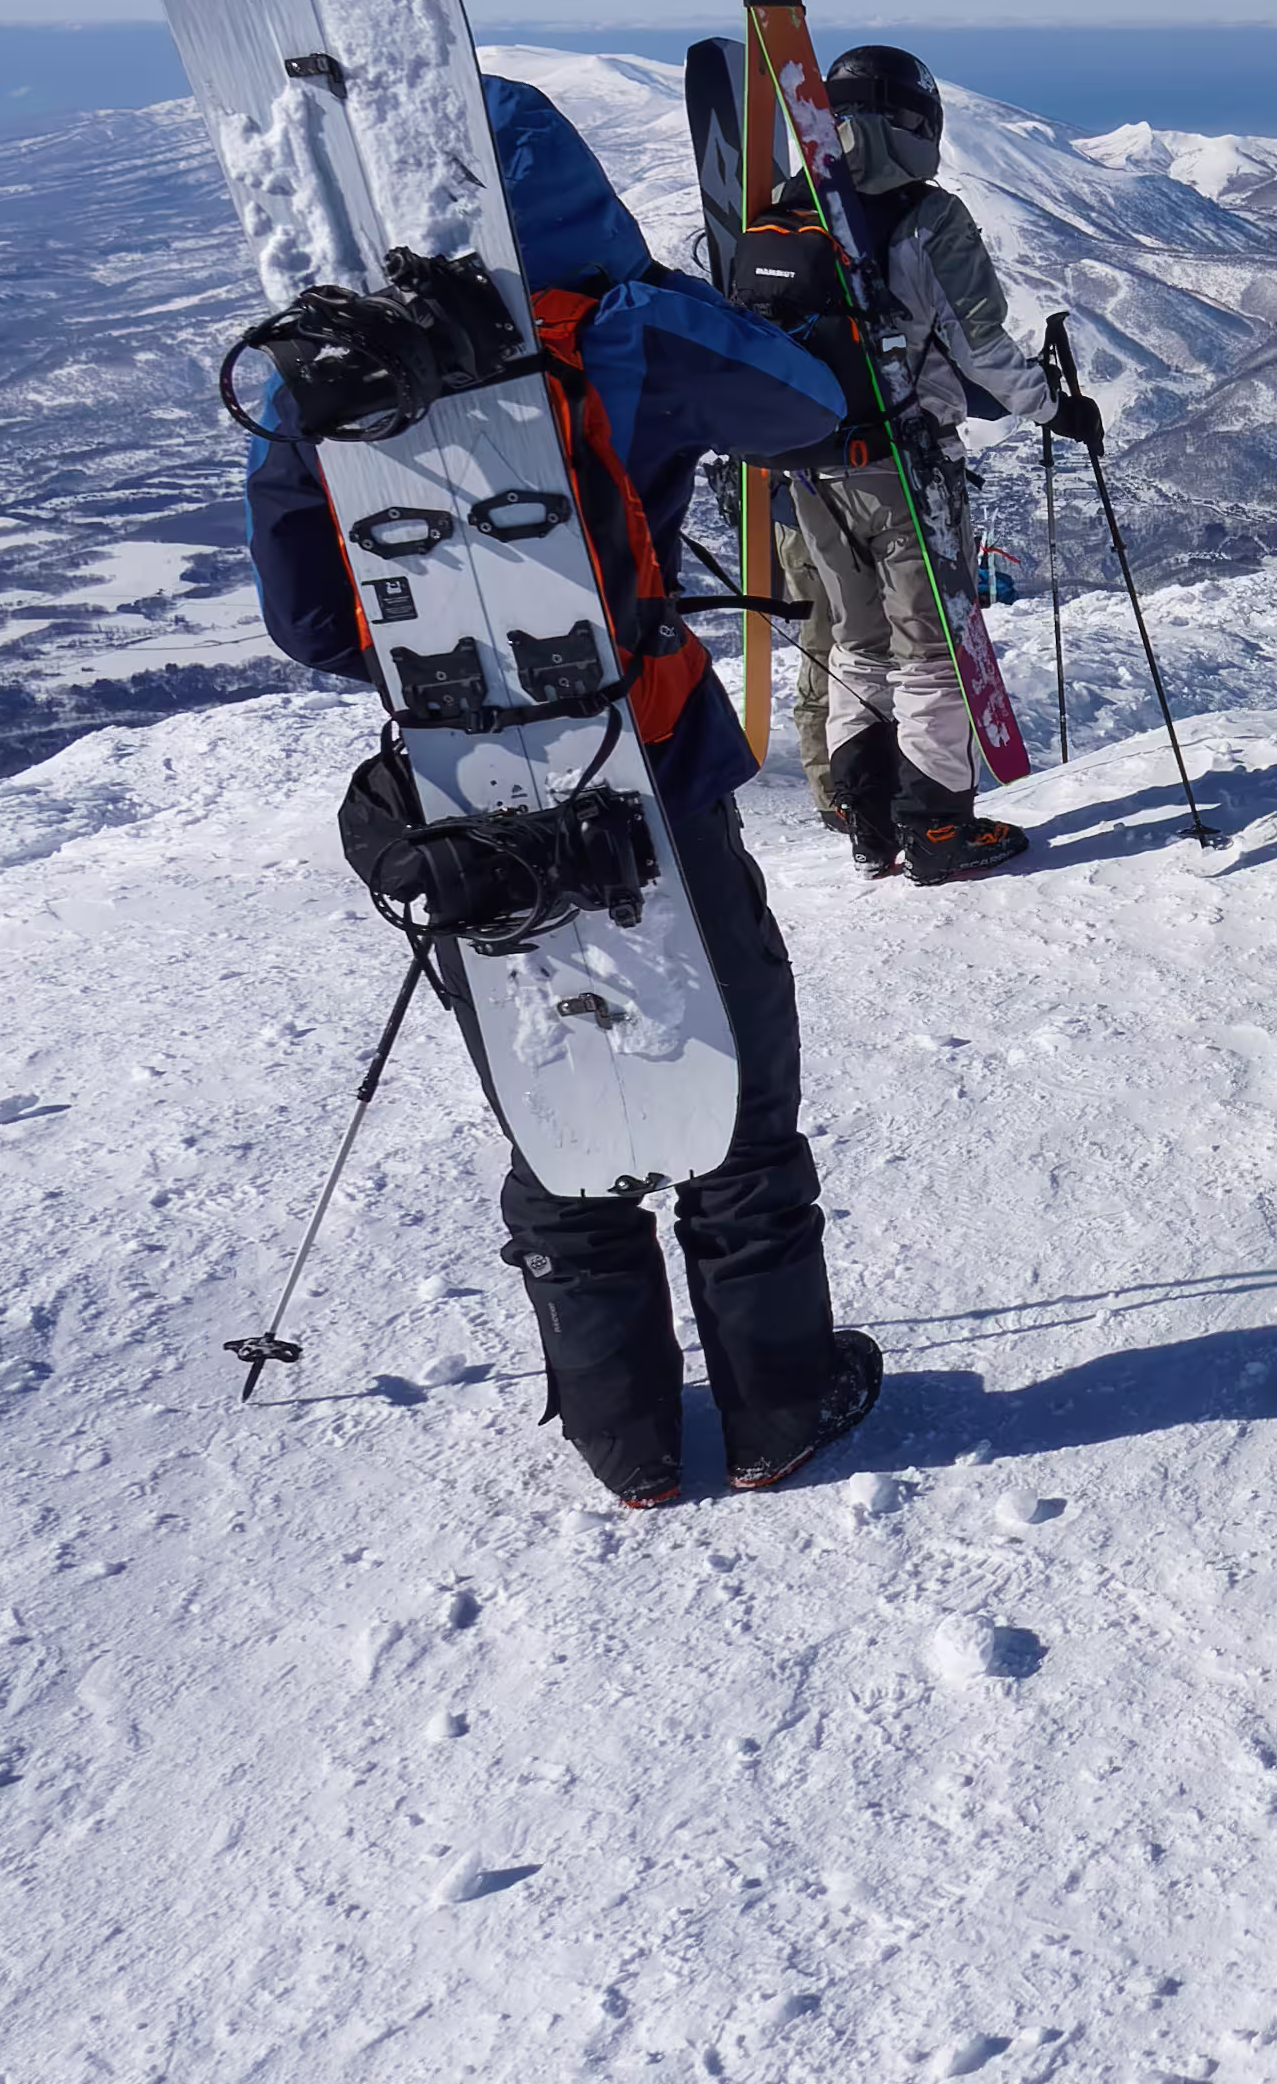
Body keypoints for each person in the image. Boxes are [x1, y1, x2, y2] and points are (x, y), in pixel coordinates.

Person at [245, 73, 883, 1507]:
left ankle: (627, 1441)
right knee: (732, 1071)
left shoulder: (321, 378)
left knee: (562, 1089)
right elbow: (807, 407)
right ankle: (781, 1406)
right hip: (646, 760)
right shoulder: (620, 324)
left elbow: (308, 617)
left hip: (465, 795)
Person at [777, 44, 1034, 886]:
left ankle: (868, 825)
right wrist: (1055, 406)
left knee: (859, 642)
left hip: (809, 469)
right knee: (931, 649)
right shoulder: (928, 218)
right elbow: (984, 349)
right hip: (902, 465)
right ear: (916, 124)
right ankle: (935, 832)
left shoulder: (789, 209)